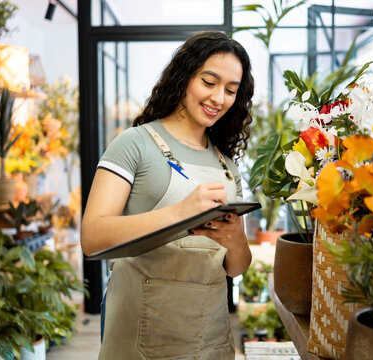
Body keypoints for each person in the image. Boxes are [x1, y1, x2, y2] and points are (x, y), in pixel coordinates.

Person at [81, 30, 255, 360]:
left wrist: (236, 242)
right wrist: (181, 212)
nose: (219, 98)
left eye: (231, 90)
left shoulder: (226, 165)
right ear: (184, 76)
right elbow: (92, 237)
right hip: (141, 340)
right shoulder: (134, 144)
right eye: (209, 82)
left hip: (211, 342)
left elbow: (235, 268)